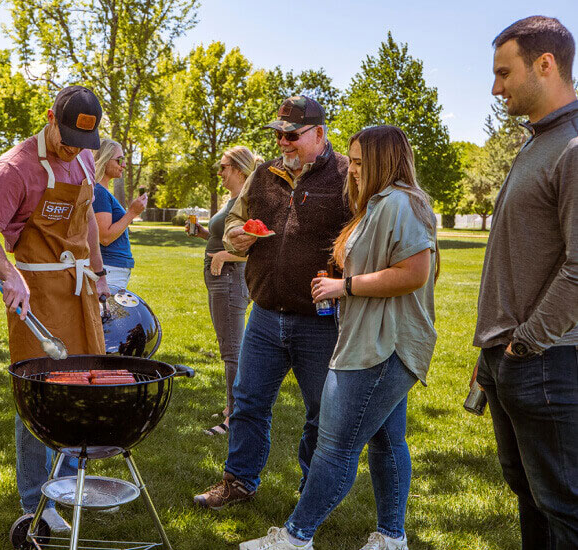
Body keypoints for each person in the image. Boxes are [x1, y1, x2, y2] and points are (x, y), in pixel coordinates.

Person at [240, 125, 439, 550]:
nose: (353, 171)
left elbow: (415, 274)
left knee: (335, 445)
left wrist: (344, 288)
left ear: (387, 162)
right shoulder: (376, 205)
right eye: (353, 162)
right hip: (371, 338)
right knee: (387, 440)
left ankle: (296, 538)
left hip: (383, 345)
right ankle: (391, 537)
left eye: (364, 164)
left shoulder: (399, 202)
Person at [193, 96, 351, 509]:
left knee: (320, 412)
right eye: (278, 134)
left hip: (319, 319)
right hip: (263, 313)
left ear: (319, 133)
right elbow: (233, 220)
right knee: (247, 402)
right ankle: (238, 482)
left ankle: (311, 492)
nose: (283, 142)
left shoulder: (345, 175)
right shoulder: (263, 174)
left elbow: (362, 232)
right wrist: (236, 236)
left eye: (292, 135)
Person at [0, 86, 111, 534]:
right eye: (67, 137)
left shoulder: (85, 157)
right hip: (36, 291)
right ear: (50, 117)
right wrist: (10, 276)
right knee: (38, 399)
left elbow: (87, 217)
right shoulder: (15, 168)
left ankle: (66, 487)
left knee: (81, 390)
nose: (73, 149)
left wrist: (100, 273)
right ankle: (37, 503)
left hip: (80, 288)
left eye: (82, 142)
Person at [474, 16, 578, 549]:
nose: (495, 88)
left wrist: (525, 345)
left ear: (545, 63)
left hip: (547, 361)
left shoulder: (573, 145)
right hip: (509, 357)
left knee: (565, 507)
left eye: (503, 72)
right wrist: (494, 349)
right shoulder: (537, 141)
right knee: (530, 496)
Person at [185, 146, 260, 436]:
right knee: (227, 346)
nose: (220, 172)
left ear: (240, 169)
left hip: (230, 277)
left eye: (224, 167)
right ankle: (232, 406)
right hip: (219, 278)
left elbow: (258, 248)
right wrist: (203, 233)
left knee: (232, 351)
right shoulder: (232, 200)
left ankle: (235, 419)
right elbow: (223, 237)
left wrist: (222, 257)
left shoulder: (248, 201)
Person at [92, 138, 147, 290]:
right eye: (119, 160)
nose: (123, 165)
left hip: (114, 267)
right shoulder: (99, 192)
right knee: (107, 313)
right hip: (110, 267)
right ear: (104, 160)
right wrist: (132, 213)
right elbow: (105, 237)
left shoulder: (102, 192)